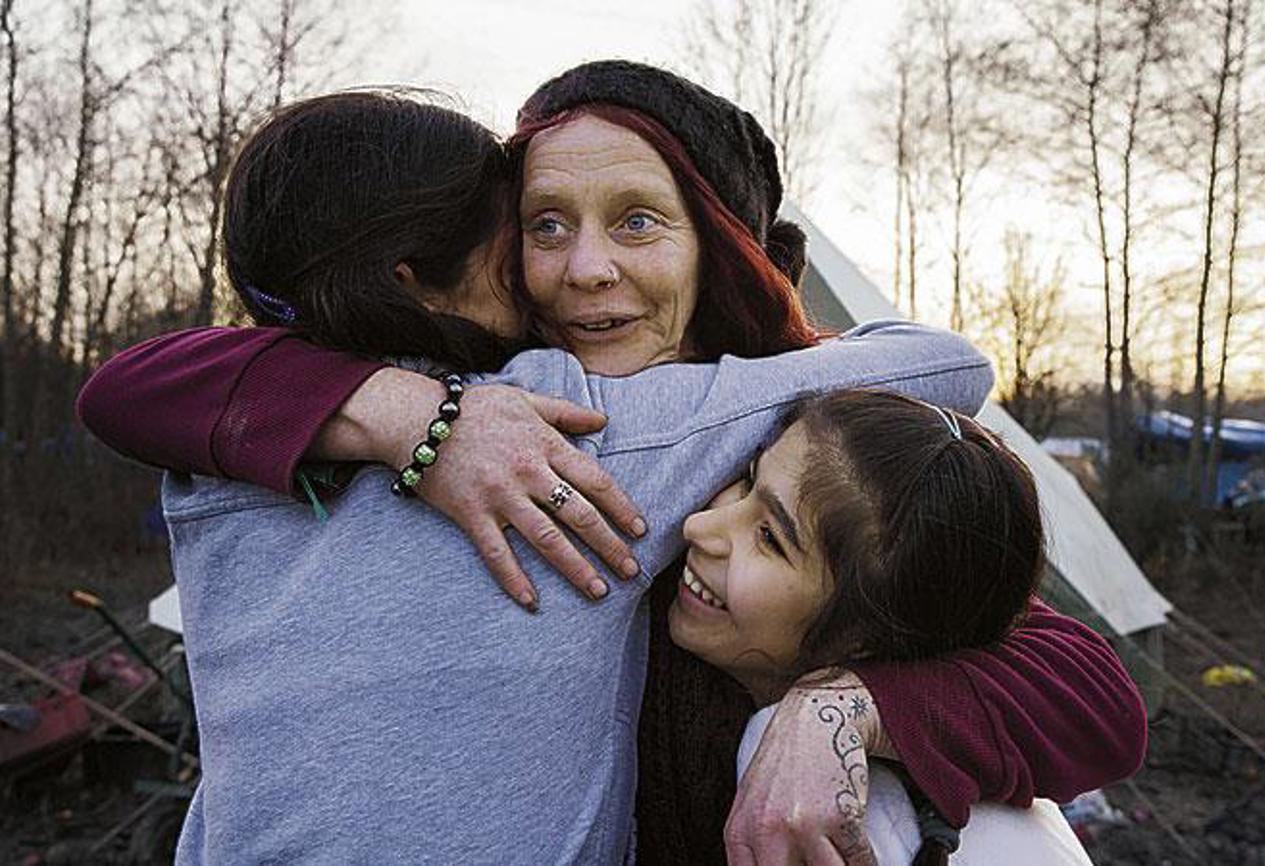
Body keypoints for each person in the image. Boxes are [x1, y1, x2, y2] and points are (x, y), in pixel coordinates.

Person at [78, 65, 1145, 863]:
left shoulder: (814, 440)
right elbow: (130, 384)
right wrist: (409, 415)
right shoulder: (508, 393)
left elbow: (1089, 691)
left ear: (717, 246)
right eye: (544, 225)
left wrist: (844, 703)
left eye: (637, 221)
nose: (586, 270)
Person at [683, 389, 1093, 865]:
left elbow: (1105, 698)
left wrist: (833, 707)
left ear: (866, 638)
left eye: (770, 539)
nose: (698, 526)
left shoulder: (852, 811)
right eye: (748, 479)